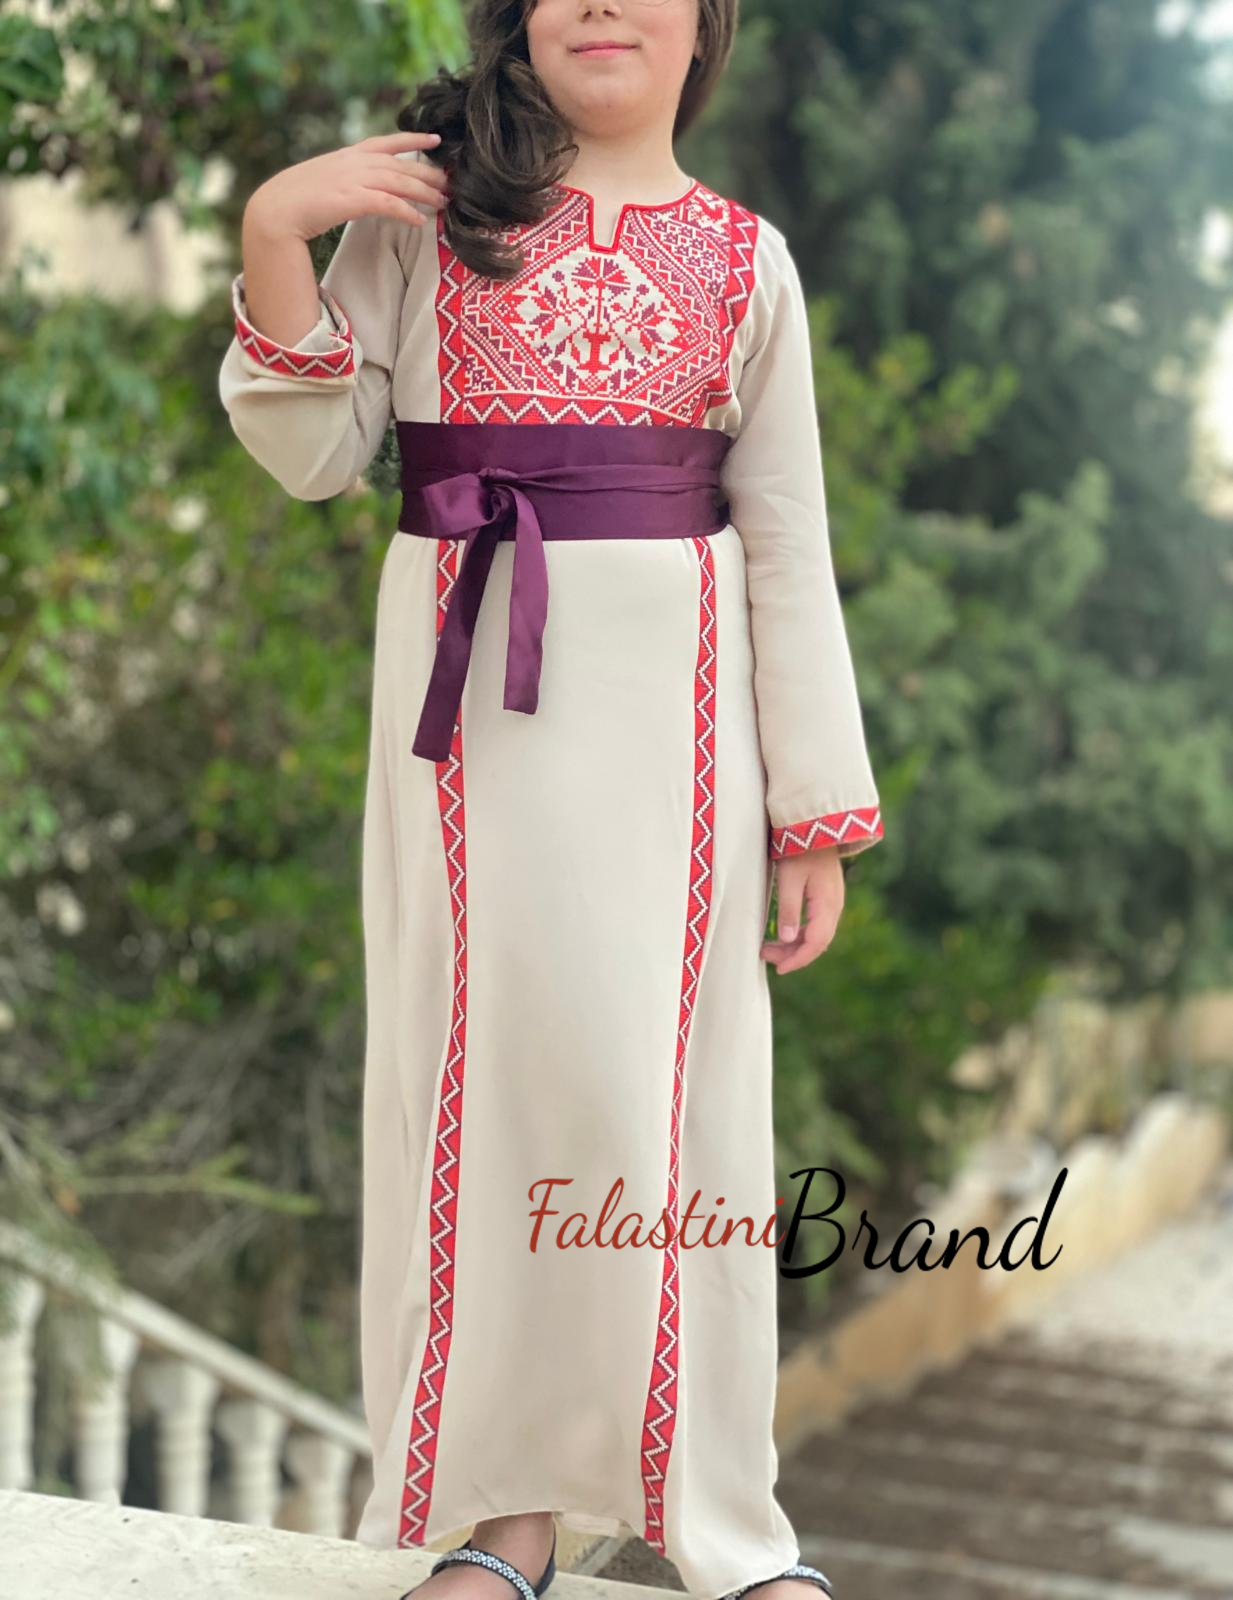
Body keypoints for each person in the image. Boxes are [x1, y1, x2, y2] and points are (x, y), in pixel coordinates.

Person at [217, 3, 883, 1599]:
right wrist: (275, 230)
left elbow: (786, 534)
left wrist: (812, 807)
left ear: (705, 27)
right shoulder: (425, 216)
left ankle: (727, 1532)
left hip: (689, 739)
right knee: (478, 1081)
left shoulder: (749, 261)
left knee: (682, 1106)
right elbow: (317, 454)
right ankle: (494, 1519)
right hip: (466, 727)